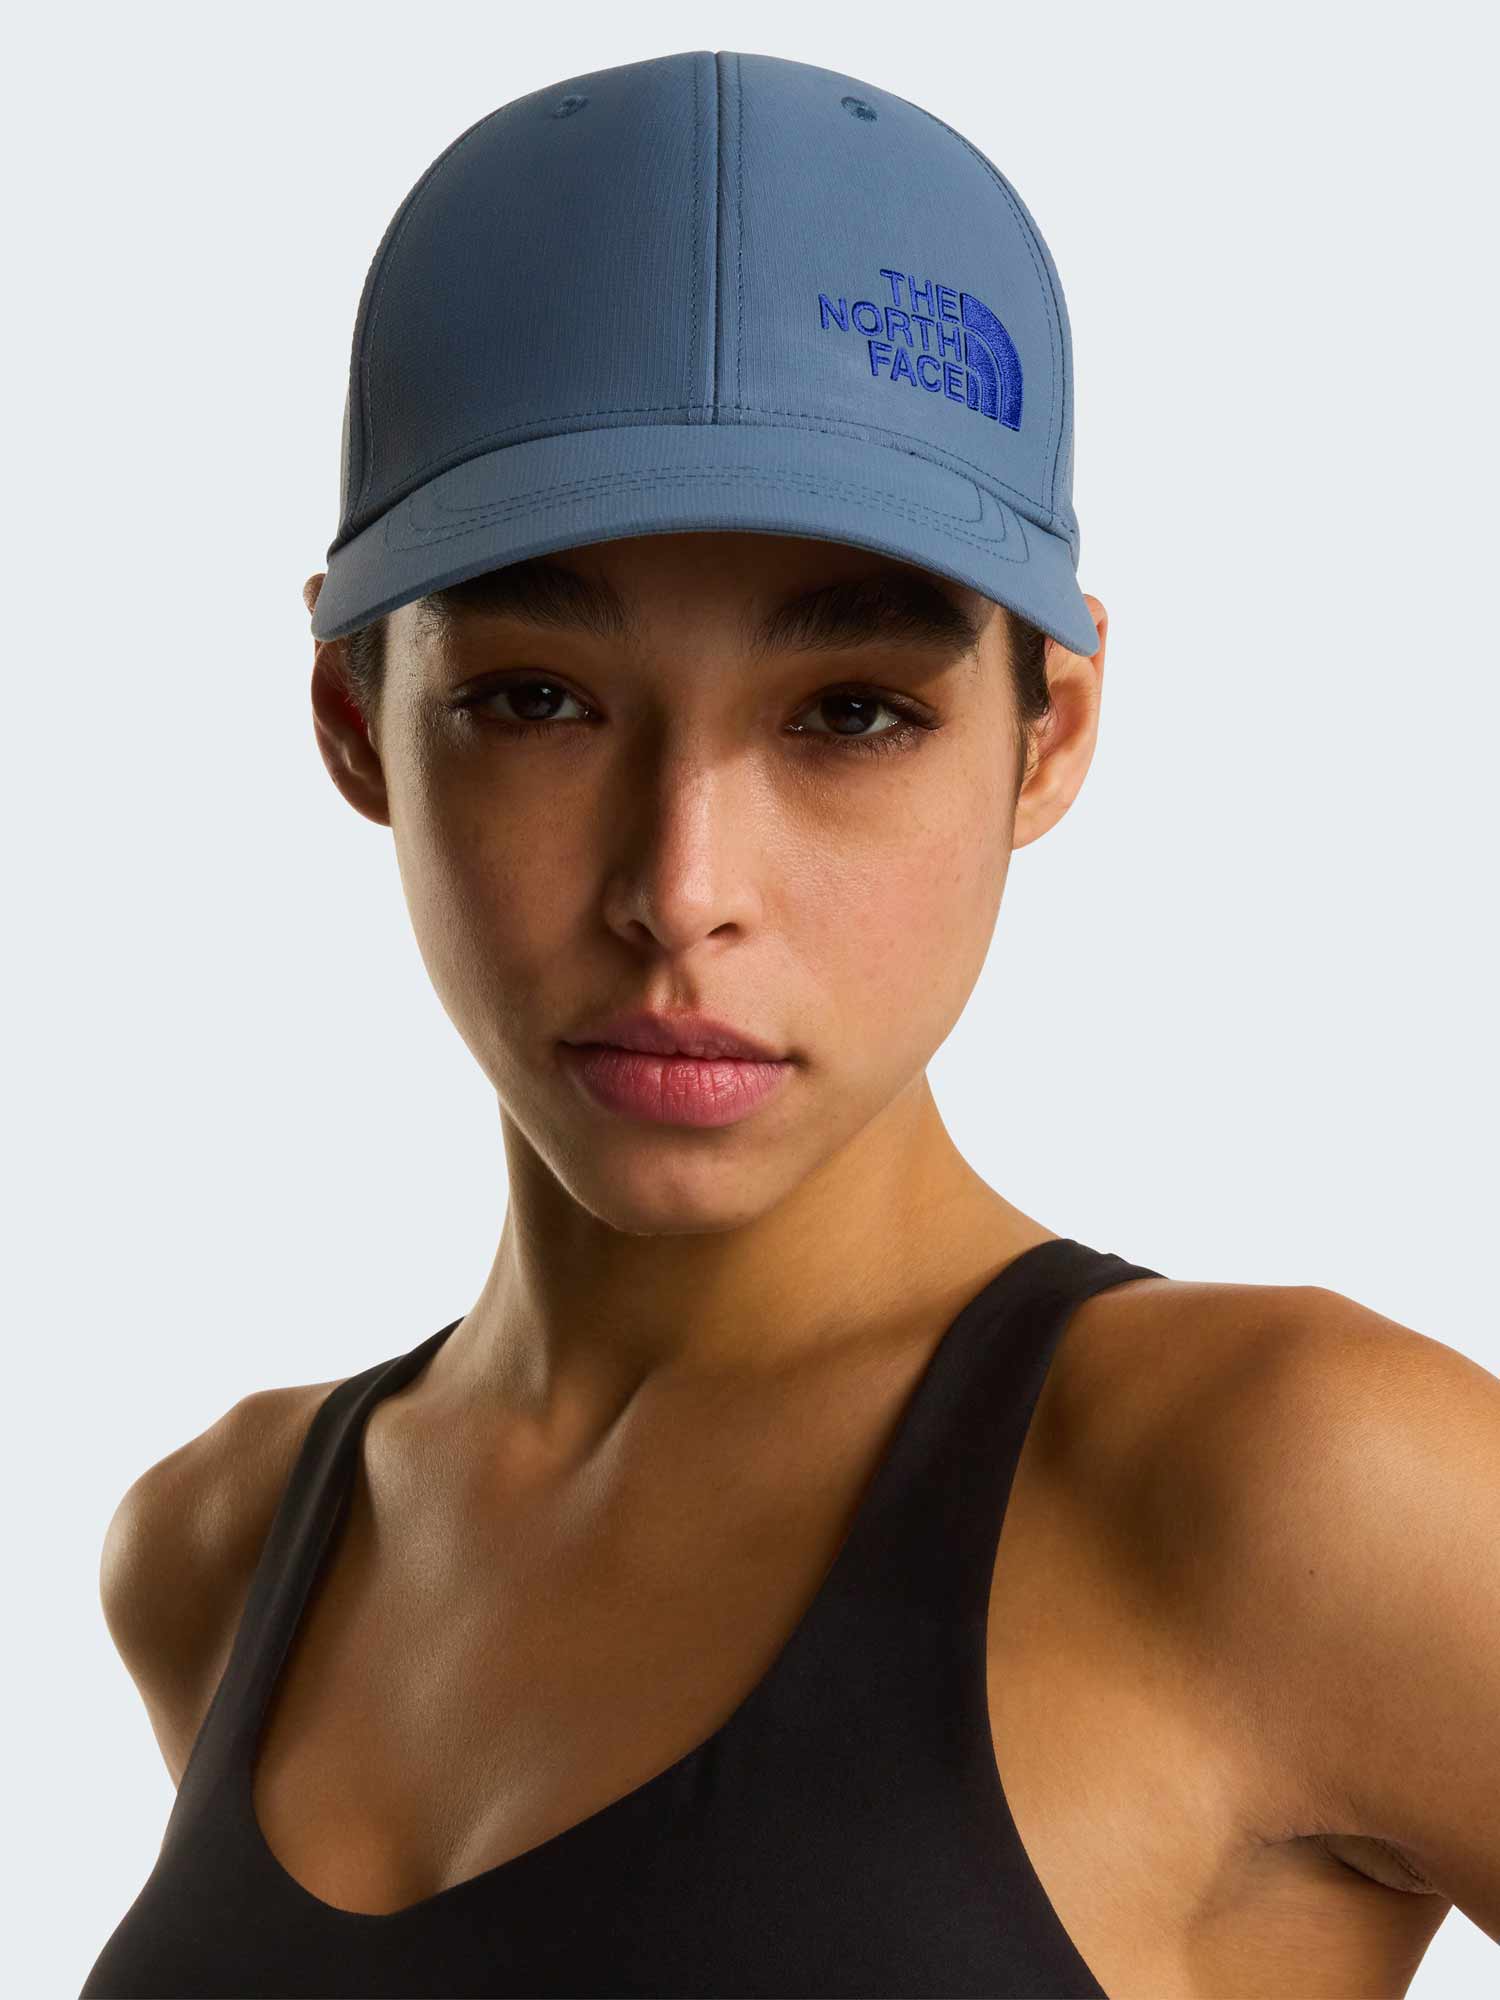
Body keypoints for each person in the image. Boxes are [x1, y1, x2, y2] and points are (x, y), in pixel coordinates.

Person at [81, 49, 1499, 2000]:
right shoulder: (221, 1551)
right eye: (537, 698)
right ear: (354, 719)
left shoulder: (1289, 1485)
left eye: (851, 714)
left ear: (1050, 735)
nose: (681, 887)